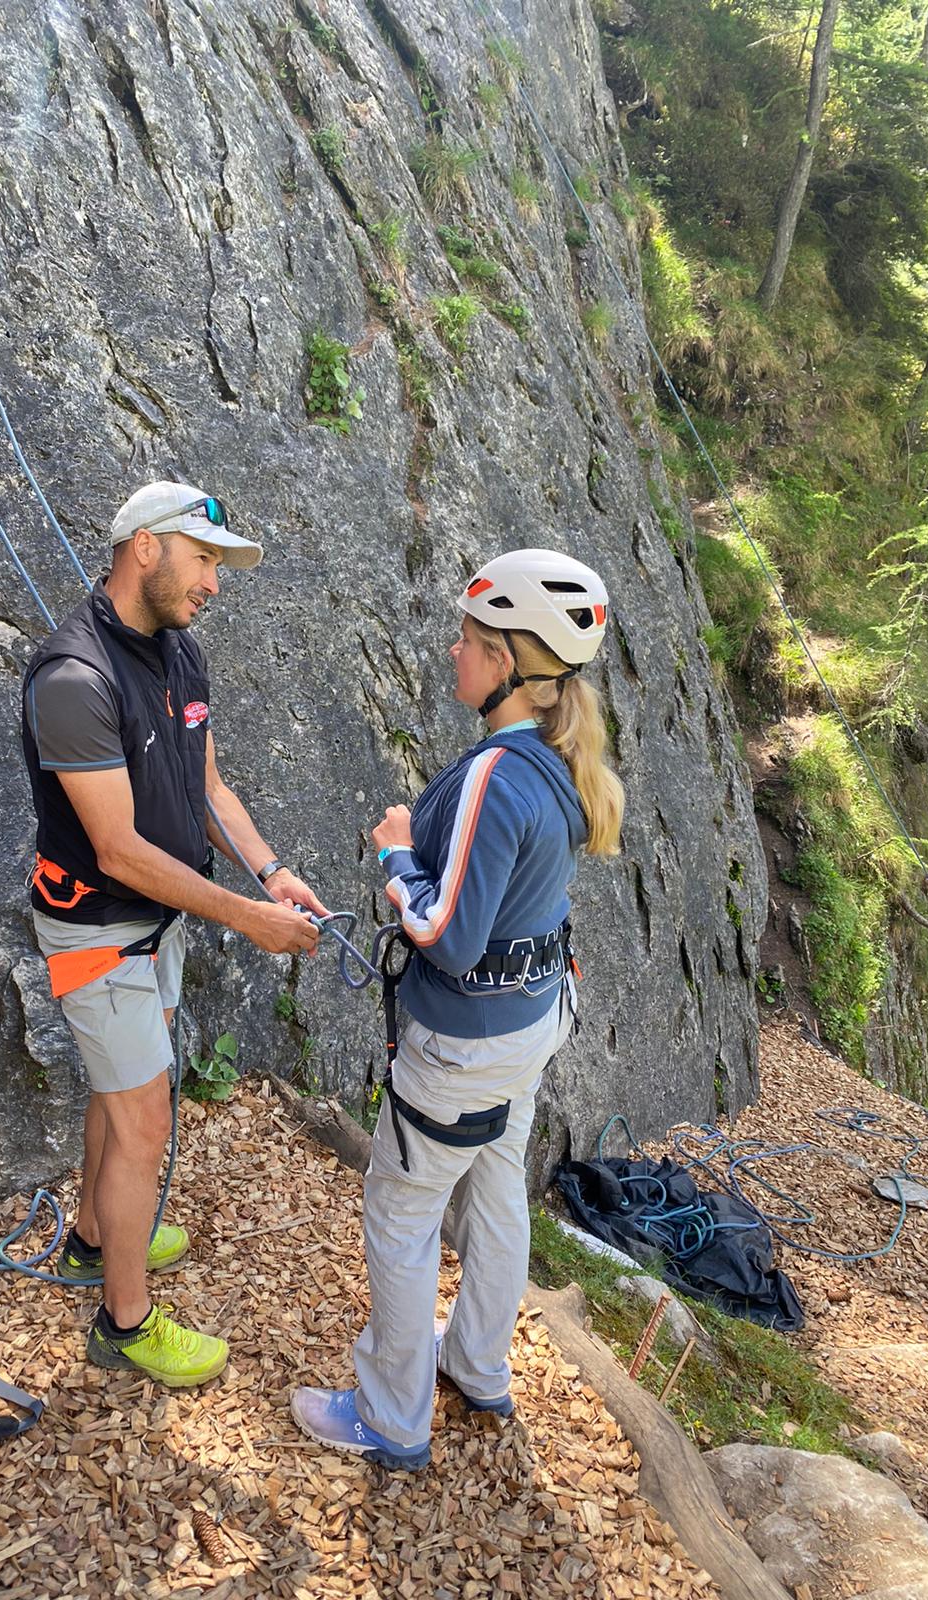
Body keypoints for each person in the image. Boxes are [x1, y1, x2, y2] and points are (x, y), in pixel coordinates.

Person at [291, 548, 625, 1468]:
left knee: (401, 1216)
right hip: (530, 1025)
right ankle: (477, 1364)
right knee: (497, 1185)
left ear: (513, 666)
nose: (452, 651)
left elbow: (447, 932)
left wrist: (399, 854)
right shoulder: (559, 762)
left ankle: (390, 1417)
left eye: (472, 640)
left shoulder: (496, 773)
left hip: (463, 1041)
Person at [21, 480, 325, 1387]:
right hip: (98, 930)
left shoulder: (180, 657)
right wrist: (247, 917)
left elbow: (209, 789)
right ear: (145, 547)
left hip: (157, 927)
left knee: (122, 1100)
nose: (215, 585)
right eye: (204, 561)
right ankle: (124, 1325)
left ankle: (91, 1237)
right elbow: (116, 850)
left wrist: (270, 871)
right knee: (145, 1125)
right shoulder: (74, 681)